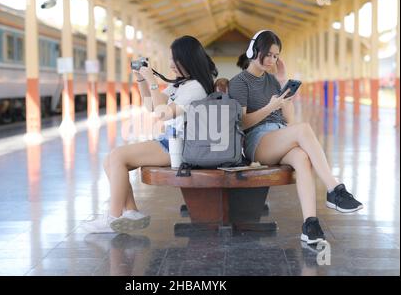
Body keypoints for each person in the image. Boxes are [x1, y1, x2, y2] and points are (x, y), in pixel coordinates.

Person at [228, 30, 363, 244]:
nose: (272, 60)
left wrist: (285, 93)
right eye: (269, 54)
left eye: (276, 56)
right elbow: (242, 123)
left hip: (279, 134)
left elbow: (288, 120)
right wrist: (270, 106)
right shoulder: (239, 82)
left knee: (302, 157)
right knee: (303, 129)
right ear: (254, 51)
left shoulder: (272, 81)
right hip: (258, 141)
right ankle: (334, 189)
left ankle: (310, 225)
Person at [82, 35, 218, 234]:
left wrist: (153, 81)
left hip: (182, 145)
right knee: (109, 160)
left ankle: (113, 217)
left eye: (174, 59)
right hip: (170, 141)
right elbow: (151, 105)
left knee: (118, 156)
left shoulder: (196, 87)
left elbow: (163, 114)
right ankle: (131, 212)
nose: (171, 64)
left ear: (187, 59)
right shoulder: (183, 84)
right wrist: (141, 79)